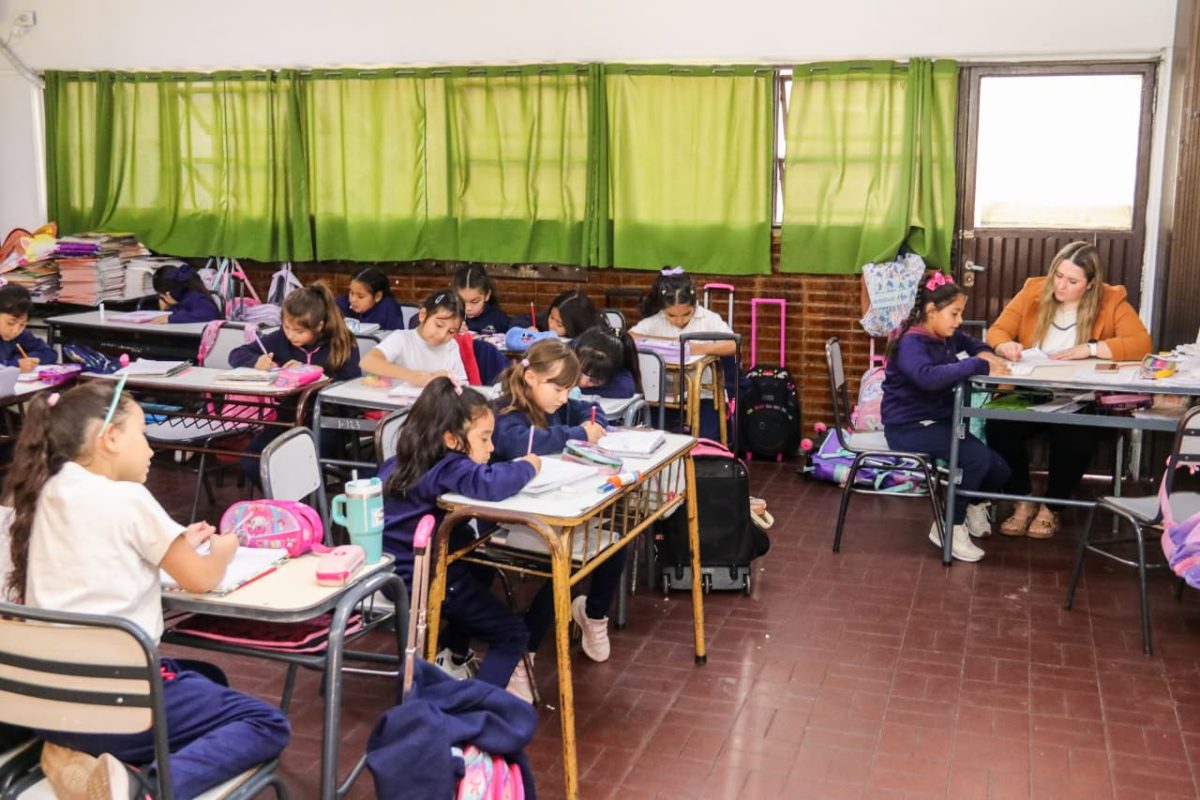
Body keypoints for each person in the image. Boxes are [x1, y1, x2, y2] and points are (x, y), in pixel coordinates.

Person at [4, 383, 290, 799]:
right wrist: (223, 550)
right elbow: (202, 578)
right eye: (142, 434)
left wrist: (174, 542)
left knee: (207, 677)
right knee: (265, 722)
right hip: (116, 707)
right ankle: (147, 788)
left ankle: (72, 754)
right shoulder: (128, 498)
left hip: (50, 703)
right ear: (110, 438)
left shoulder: (48, 490)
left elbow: (104, 547)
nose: (151, 449)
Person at [380, 377, 543, 700]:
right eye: (484, 438)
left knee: (480, 570)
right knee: (512, 632)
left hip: (391, 572)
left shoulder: (399, 462)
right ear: (451, 439)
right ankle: (471, 711)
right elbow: (492, 484)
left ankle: (450, 655)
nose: (491, 448)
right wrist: (529, 466)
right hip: (424, 578)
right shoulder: (449, 466)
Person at [985, 241, 1153, 538]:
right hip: (1032, 390)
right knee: (999, 425)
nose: (1060, 286)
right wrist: (1004, 345)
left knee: (1075, 432)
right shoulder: (1033, 291)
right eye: (1058, 275)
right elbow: (998, 330)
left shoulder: (1111, 299)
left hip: (1081, 396)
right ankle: (1022, 500)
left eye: (1072, 281)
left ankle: (1052, 508)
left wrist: (1090, 349)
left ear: (1090, 285)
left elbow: (1142, 344)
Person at [492, 339, 624, 673]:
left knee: (615, 538)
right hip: (509, 518)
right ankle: (526, 649)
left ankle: (593, 615)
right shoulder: (506, 411)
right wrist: (578, 433)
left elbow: (587, 410)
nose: (564, 397)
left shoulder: (556, 405)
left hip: (554, 506)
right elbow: (521, 443)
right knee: (565, 559)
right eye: (558, 388)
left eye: (568, 389)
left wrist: (594, 423)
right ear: (531, 377)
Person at [881, 273, 1012, 562]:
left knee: (1000, 469)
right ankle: (948, 525)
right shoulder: (911, 343)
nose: (959, 320)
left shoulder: (945, 336)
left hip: (937, 422)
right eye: (954, 313)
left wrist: (989, 354)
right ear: (931, 311)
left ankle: (973, 505)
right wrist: (977, 365)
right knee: (976, 460)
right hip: (908, 427)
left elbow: (973, 344)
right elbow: (928, 378)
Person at [229, 283, 361, 482]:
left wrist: (311, 373)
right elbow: (236, 354)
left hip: (326, 421)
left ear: (319, 326)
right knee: (252, 461)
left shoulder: (342, 343)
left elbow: (351, 384)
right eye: (287, 327)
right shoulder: (281, 339)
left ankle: (300, 498)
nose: (291, 335)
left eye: (299, 331)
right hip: (287, 418)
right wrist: (256, 361)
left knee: (298, 463)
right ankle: (285, 498)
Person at [361, 290, 468, 388]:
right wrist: (411, 376)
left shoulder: (451, 346)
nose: (442, 335)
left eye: (451, 331)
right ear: (423, 315)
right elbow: (367, 361)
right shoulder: (402, 338)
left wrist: (449, 379)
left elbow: (462, 385)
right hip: (400, 401)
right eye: (439, 325)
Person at [629, 267, 735, 356]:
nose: (679, 320)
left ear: (694, 305)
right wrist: (671, 343)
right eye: (671, 315)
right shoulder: (657, 320)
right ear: (662, 309)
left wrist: (696, 349)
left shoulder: (708, 319)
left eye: (686, 314)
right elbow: (630, 338)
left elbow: (733, 344)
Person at [573, 325, 642, 399]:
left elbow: (626, 388)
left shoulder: (620, 380)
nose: (582, 382)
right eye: (579, 372)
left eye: (595, 381)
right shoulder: (570, 352)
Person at [0, 284, 56, 372]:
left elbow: (49, 353)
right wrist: (15, 364)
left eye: (22, 325)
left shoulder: (21, 335)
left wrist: (28, 360)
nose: (16, 331)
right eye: (11, 323)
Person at [336, 266, 406, 330]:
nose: (353, 300)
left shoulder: (388, 308)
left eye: (360, 296)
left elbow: (397, 336)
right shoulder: (342, 304)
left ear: (377, 296)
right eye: (351, 293)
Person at [152, 264, 223, 324]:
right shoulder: (182, 297)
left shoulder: (196, 296)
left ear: (168, 294)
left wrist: (169, 319)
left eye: (161, 297)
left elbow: (209, 315)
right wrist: (166, 310)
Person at [452, 264, 510, 334]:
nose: (468, 308)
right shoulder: (452, 316)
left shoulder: (499, 319)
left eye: (475, 302)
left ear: (487, 295)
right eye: (462, 301)